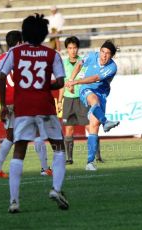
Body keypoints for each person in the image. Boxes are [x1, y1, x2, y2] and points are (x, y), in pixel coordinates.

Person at [0, 14, 69, 213]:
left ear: (25, 32)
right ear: (44, 34)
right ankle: (56, 188)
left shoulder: (15, 52)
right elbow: (61, 82)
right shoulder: (52, 54)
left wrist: (3, 104)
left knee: (19, 150)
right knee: (59, 147)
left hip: (23, 108)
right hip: (45, 107)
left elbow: (2, 76)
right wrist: (46, 85)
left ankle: (14, 201)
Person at [0, 30, 52, 178]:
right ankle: (45, 168)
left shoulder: (0, 58)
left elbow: (1, 79)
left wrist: (3, 104)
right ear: (19, 42)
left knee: (10, 136)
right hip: (22, 99)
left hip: (8, 100)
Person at [65, 40, 120, 171]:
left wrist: (75, 82)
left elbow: (95, 78)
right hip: (86, 89)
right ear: (99, 51)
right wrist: (72, 80)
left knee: (94, 126)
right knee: (94, 101)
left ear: (112, 56)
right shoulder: (91, 56)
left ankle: (90, 162)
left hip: (102, 93)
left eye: (107, 53)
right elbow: (79, 65)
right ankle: (105, 121)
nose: (104, 55)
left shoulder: (112, 67)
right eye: (102, 52)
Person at [58, 36, 104, 165]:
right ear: (67, 49)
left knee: (91, 127)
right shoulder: (63, 64)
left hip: (83, 98)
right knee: (69, 129)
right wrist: (60, 101)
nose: (72, 50)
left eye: (74, 48)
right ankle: (69, 158)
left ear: (78, 48)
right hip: (68, 100)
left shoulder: (84, 62)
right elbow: (62, 84)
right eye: (70, 48)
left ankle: (98, 156)